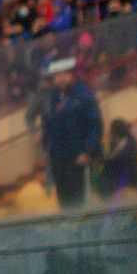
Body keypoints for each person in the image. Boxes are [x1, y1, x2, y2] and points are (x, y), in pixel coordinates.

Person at [40, 58, 102, 208]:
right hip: (59, 159)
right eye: (57, 75)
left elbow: (95, 125)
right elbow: (47, 126)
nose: (60, 78)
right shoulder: (51, 99)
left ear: (71, 75)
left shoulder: (83, 96)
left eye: (64, 74)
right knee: (64, 200)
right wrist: (46, 147)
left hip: (78, 157)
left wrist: (87, 151)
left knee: (81, 201)